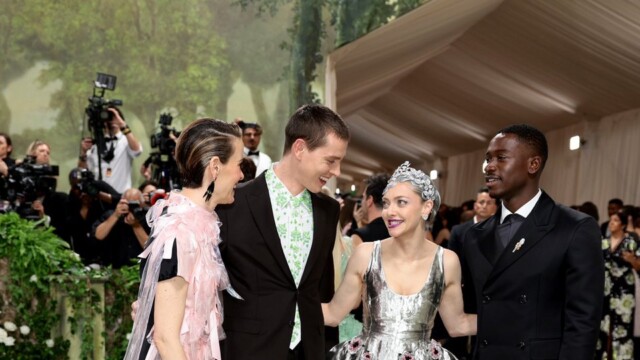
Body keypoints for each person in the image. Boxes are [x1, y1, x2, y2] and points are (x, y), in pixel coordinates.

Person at [217, 104, 350, 360]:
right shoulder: (233, 203)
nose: (337, 172)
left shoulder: (328, 210)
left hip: (308, 349)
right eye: (331, 161)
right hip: (248, 350)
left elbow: (322, 288)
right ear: (299, 148)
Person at [462, 124, 604, 359]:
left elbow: (583, 323)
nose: (489, 166)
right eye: (488, 158)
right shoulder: (475, 235)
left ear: (533, 164)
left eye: (501, 158)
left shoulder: (574, 228)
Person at [323, 161, 477, 359]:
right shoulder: (365, 254)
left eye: (401, 202)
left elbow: (458, 325)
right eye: (386, 203)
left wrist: (515, 319)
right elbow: (333, 314)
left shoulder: (447, 261)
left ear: (426, 207)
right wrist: (282, 301)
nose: (389, 211)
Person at [124, 118, 245, 359]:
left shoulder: (199, 226)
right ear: (215, 166)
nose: (241, 175)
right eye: (239, 164)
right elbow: (166, 339)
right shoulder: (179, 232)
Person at [447, 187, 497, 359]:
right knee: (458, 331)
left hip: (488, 290)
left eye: (489, 202)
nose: (484, 206)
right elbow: (451, 260)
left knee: (483, 330)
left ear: (495, 207)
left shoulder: (501, 229)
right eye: (481, 202)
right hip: (463, 287)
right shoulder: (459, 231)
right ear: (475, 205)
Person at [596, 211, 640, 359]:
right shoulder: (604, 242)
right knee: (603, 325)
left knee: (621, 326)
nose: (611, 223)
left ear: (622, 224)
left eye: (615, 220)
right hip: (606, 287)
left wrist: (631, 260)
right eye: (610, 220)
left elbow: (638, 265)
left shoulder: (630, 242)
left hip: (624, 290)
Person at [80, 107, 143, 193]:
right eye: (109, 117)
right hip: (99, 198)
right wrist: (83, 153)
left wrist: (123, 125)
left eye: (115, 117)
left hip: (120, 197)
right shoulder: (96, 144)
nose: (112, 120)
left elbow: (137, 151)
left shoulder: (125, 140)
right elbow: (82, 171)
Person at [92, 188, 150, 268]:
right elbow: (98, 235)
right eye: (129, 203)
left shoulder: (148, 218)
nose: (131, 207)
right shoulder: (112, 214)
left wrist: (136, 226)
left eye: (135, 204)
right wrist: (116, 215)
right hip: (113, 267)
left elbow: (151, 248)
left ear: (142, 204)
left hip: (139, 268)